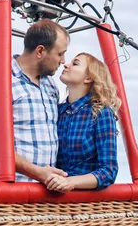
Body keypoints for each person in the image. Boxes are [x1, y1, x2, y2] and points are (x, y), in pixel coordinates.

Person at [0, 19, 70, 183]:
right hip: (9, 191)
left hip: (44, 192)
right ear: (40, 51)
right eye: (60, 53)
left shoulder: (50, 85)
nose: (63, 60)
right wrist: (37, 173)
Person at [46, 53, 120, 192]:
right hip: (51, 198)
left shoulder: (101, 113)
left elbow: (108, 171)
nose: (66, 64)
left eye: (75, 63)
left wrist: (69, 181)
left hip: (84, 202)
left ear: (88, 78)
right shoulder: (57, 111)